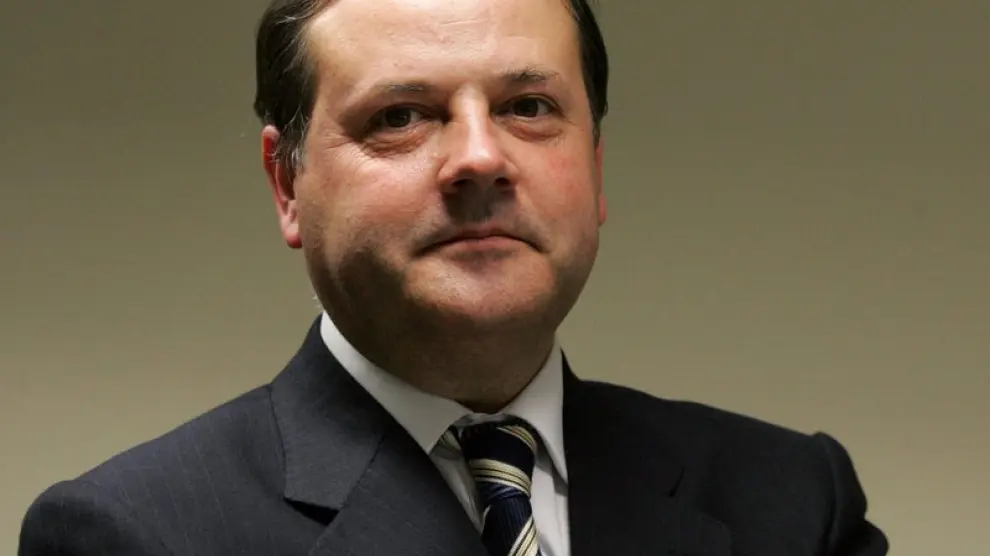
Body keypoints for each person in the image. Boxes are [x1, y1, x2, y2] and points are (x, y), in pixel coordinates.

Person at [18, 0, 889, 554]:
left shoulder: (792, 502)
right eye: (401, 116)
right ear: (287, 185)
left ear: (595, 167)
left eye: (528, 108)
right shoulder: (132, 535)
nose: (480, 157)